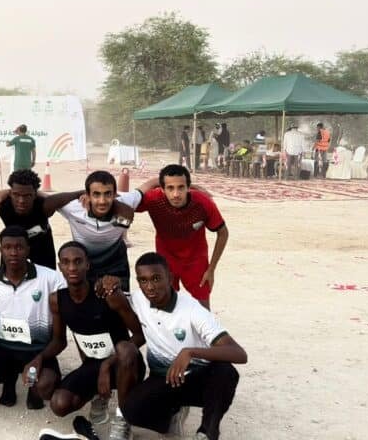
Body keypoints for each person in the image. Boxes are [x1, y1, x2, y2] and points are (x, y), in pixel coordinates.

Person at [120, 252, 247, 440]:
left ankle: (207, 431)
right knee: (131, 410)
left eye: (156, 278)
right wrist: (109, 284)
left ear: (170, 278)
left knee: (225, 372)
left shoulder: (193, 309)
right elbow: (117, 299)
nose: (150, 287)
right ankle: (171, 414)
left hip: (197, 378)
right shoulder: (139, 299)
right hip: (163, 378)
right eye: (143, 280)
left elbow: (239, 353)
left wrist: (190, 352)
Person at [48, 242, 145, 440]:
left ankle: (123, 419)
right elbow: (59, 340)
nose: (72, 267)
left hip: (126, 364)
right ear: (60, 267)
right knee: (59, 404)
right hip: (92, 364)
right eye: (66, 262)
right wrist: (38, 359)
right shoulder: (57, 300)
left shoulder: (108, 295)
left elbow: (139, 335)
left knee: (125, 349)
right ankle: (98, 396)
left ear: (88, 264)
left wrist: (107, 365)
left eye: (78, 261)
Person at [0, 226, 66, 410]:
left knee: (45, 387)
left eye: (19, 247)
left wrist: (40, 358)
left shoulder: (51, 279)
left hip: (38, 349)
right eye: (7, 247)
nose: (13, 252)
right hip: (2, 347)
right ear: (0, 250)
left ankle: (33, 388)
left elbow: (77, 289)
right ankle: (8, 379)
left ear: (28, 249)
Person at [136, 165, 227, 309]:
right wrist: (153, 181)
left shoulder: (203, 203)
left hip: (195, 260)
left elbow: (223, 233)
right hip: (166, 259)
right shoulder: (153, 199)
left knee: (203, 308)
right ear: (162, 188)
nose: (176, 194)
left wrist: (211, 269)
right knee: (164, 305)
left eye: (181, 187)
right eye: (170, 188)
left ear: (188, 187)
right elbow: (126, 201)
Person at [0, 170, 83, 270]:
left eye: (27, 196)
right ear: (10, 193)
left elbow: (79, 193)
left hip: (42, 252)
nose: (21, 201)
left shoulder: (45, 205)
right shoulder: (2, 204)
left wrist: (86, 196)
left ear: (35, 194)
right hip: (12, 251)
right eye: (16, 195)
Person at [54, 170, 150, 288]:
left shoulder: (126, 201)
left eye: (108, 194)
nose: (102, 201)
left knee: (118, 297)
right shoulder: (75, 208)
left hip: (116, 265)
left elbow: (148, 185)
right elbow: (46, 201)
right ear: (88, 195)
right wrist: (77, 194)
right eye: (96, 194)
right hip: (84, 265)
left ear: (115, 194)